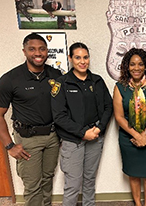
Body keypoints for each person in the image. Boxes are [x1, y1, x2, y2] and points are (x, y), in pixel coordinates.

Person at [0, 33, 62, 206]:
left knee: (47, 179)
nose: (38, 53)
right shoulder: (10, 79)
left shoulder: (55, 75)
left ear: (47, 51)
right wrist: (9, 146)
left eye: (42, 49)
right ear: (24, 52)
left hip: (53, 137)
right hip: (28, 140)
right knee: (32, 186)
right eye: (32, 49)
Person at [51, 42, 113, 206]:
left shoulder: (97, 81)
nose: (82, 61)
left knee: (89, 180)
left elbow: (108, 106)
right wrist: (82, 133)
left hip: (95, 137)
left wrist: (99, 128)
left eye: (85, 57)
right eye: (78, 57)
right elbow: (59, 116)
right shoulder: (62, 83)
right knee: (72, 184)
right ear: (70, 58)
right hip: (73, 141)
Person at [113, 48, 146, 206]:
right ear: (127, 67)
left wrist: (145, 134)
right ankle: (137, 204)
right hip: (128, 136)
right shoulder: (119, 87)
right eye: (132, 64)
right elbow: (119, 117)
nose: (136, 68)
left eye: (140, 64)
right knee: (134, 175)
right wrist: (137, 136)